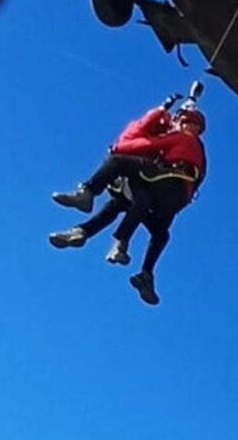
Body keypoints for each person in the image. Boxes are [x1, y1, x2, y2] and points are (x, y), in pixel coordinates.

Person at [49, 92, 207, 306]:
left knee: (117, 165)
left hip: (167, 180)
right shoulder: (198, 151)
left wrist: (163, 111)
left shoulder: (180, 138)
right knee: (155, 227)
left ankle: (88, 195)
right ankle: (143, 272)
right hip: (173, 199)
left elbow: (134, 145)